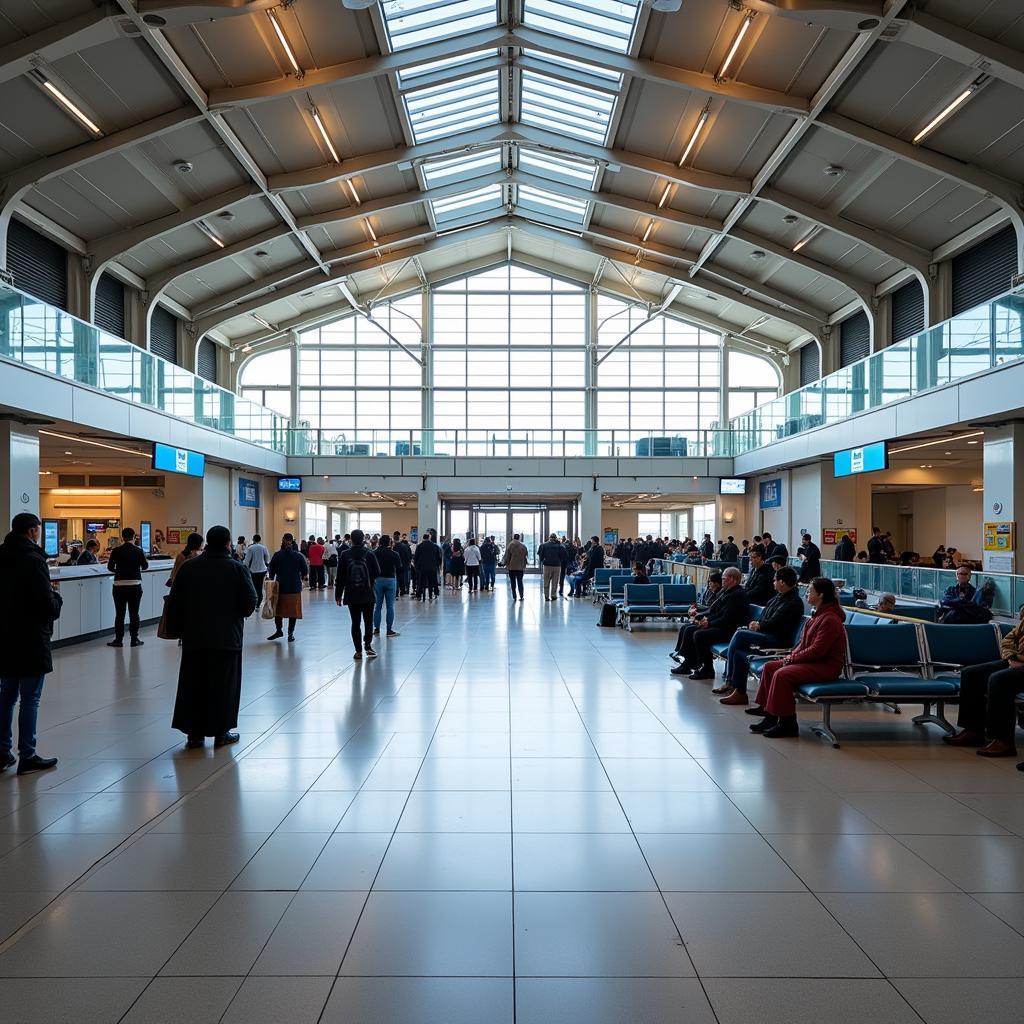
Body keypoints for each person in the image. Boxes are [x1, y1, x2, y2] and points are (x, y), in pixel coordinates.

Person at [167, 525, 258, 749]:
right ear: (228, 544)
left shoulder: (189, 568)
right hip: (227, 638)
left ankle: (194, 734)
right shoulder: (237, 569)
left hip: (195, 638)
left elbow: (175, 602)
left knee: (193, 685)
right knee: (224, 685)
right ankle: (221, 731)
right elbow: (249, 604)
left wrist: (180, 630)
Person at [0, 512, 63, 775]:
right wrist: (57, 598)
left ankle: (2, 751)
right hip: (30, 638)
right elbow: (45, 605)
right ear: (33, 531)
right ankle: (28, 754)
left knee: (6, 696)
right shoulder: (34, 560)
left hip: (4, 636)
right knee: (30, 698)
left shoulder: (1, 556)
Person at [748, 577, 847, 738]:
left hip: (825, 666)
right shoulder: (817, 616)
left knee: (782, 674)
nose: (806, 594)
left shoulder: (830, 619)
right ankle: (770, 716)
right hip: (812, 662)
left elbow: (818, 651)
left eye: (810, 591)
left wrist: (793, 659)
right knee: (770, 667)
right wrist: (791, 656)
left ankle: (788, 723)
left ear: (821, 595)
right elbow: (802, 644)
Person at [716, 565, 804, 705]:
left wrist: (759, 625)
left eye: (775, 580)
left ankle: (730, 681)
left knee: (740, 635)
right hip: (767, 633)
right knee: (739, 653)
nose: (773, 583)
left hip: (778, 639)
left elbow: (778, 621)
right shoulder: (779, 597)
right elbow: (767, 616)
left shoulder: (793, 601)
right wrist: (757, 624)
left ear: (782, 582)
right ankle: (739, 692)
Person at [944, 605, 1024, 758]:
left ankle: (1003, 741)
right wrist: (1011, 658)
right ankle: (974, 731)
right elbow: (1009, 639)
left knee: (1000, 680)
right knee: (971, 673)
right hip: (1016, 661)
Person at [671, 566, 750, 680]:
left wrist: (709, 623)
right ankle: (688, 663)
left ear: (732, 579)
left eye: (724, 578)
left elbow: (728, 618)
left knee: (699, 634)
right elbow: (714, 611)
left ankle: (707, 668)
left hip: (729, 629)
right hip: (721, 625)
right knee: (688, 628)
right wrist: (703, 618)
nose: (722, 581)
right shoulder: (726, 592)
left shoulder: (737, 595)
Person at [336, 529, 380, 660]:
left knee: (355, 623)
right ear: (363, 539)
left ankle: (358, 651)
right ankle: (368, 645)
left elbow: (340, 576)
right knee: (368, 622)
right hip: (368, 594)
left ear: (351, 540)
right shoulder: (370, 554)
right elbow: (377, 572)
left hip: (351, 594)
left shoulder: (344, 554)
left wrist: (338, 595)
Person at [107, 527, 148, 648]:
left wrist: (118, 571)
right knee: (134, 614)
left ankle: (118, 640)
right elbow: (145, 566)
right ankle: (134, 639)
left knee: (120, 614)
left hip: (119, 585)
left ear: (122, 537)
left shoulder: (116, 550)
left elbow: (110, 567)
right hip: (135, 584)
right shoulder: (138, 551)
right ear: (134, 536)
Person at [669, 571, 722, 663]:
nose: (709, 585)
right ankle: (679, 651)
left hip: (716, 624)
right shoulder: (712, 593)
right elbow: (709, 609)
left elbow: (713, 611)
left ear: (717, 584)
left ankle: (688, 658)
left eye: (710, 582)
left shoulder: (720, 595)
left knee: (690, 630)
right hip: (709, 618)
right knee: (685, 627)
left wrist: (703, 618)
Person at [267, 533, 307, 641]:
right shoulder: (298, 556)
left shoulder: (277, 555)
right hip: (294, 587)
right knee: (293, 612)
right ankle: (290, 634)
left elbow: (271, 570)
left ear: (283, 540)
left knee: (278, 610)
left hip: (280, 586)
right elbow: (305, 571)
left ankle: (279, 630)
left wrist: (271, 580)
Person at [371, 534, 401, 639]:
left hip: (378, 580)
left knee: (377, 606)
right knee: (390, 606)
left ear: (379, 542)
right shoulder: (394, 554)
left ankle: (376, 628)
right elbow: (399, 566)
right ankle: (389, 630)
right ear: (389, 543)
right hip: (390, 580)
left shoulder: (374, 553)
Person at [242, 533, 270, 608]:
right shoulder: (263, 547)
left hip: (253, 570)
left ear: (253, 539)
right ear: (260, 540)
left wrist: (245, 567)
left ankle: (255, 601)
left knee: (253, 586)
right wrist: (266, 564)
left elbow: (247, 560)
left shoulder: (251, 548)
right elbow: (267, 556)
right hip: (262, 570)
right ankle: (259, 603)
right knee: (260, 587)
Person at [537, 533, 568, 601]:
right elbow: (564, 556)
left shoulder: (543, 545)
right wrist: (559, 560)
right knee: (555, 582)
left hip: (547, 565)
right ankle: (553, 595)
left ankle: (546, 596)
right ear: (556, 538)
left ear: (549, 538)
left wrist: (543, 561)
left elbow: (540, 555)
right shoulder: (560, 546)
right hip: (557, 565)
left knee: (546, 581)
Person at [413, 532, 442, 600]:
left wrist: (416, 567)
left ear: (423, 538)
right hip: (432, 568)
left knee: (421, 582)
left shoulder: (419, 546)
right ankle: (435, 593)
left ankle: (419, 595)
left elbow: (415, 558)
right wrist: (437, 565)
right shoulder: (435, 546)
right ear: (429, 538)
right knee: (433, 581)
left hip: (422, 568)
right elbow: (438, 558)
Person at [503, 534, 529, 601]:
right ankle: (521, 595)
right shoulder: (523, 546)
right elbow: (526, 554)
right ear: (519, 538)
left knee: (513, 582)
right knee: (520, 581)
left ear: (513, 538)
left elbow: (507, 556)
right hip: (520, 567)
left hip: (512, 567)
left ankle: (514, 596)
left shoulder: (510, 545)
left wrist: (505, 564)